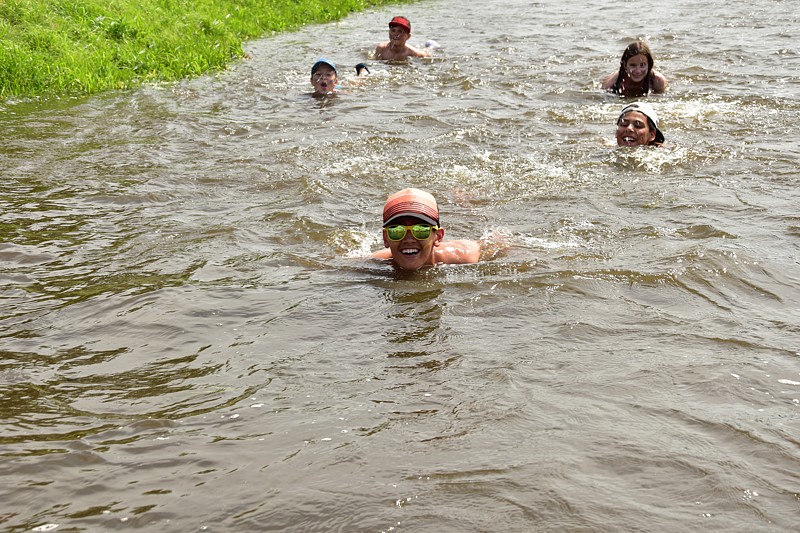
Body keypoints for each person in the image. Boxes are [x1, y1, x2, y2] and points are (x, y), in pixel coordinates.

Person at [371, 188, 481, 270]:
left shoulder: (465, 257)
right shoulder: (373, 263)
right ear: (385, 238)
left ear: (438, 236)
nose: (409, 240)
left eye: (421, 231)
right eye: (397, 231)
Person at [602, 41, 668, 97]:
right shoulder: (612, 82)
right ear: (625, 65)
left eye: (642, 65)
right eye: (633, 65)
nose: (638, 71)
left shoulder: (658, 81)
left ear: (649, 64)